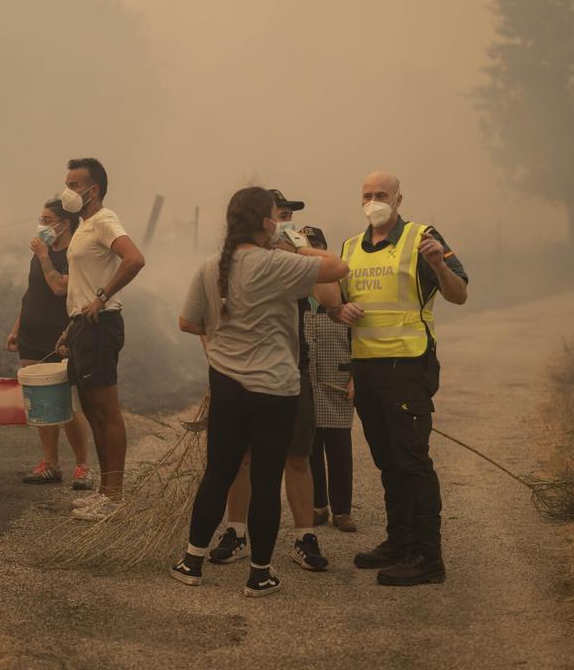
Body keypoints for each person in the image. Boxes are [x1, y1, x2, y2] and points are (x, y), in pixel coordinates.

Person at [171, 187, 348, 597]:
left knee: (219, 471)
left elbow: (187, 321)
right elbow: (337, 269)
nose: (279, 223)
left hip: (226, 383)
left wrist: (221, 341)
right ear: (264, 223)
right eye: (275, 217)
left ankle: (191, 561)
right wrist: (296, 248)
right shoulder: (278, 264)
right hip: (274, 388)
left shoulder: (212, 265)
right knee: (267, 479)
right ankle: (259, 574)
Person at [330, 171, 468, 586]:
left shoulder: (422, 237)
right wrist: (340, 310)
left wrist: (438, 265)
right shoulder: (350, 247)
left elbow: (459, 294)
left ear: (399, 198)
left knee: (412, 462)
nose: (374, 202)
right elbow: (338, 299)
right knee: (387, 461)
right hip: (367, 367)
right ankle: (400, 541)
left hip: (408, 366)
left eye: (382, 195)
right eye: (368, 195)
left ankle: (428, 557)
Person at [54, 157, 146, 522]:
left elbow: (135, 259)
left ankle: (115, 495)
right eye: (68, 183)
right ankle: (105, 492)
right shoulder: (85, 225)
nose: (68, 191)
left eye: (74, 185)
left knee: (106, 412)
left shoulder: (105, 221)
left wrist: (102, 296)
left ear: (94, 189)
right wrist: (70, 325)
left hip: (101, 324)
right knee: (92, 411)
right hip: (82, 325)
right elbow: (82, 281)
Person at [5, 198, 94, 490]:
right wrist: (17, 329)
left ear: (64, 224)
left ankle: (83, 466)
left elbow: (59, 288)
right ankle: (50, 464)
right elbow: (31, 291)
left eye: (47, 220)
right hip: (31, 334)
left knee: (67, 402)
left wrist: (44, 255)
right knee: (42, 401)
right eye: (40, 220)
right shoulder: (39, 253)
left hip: (59, 337)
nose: (41, 226)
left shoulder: (73, 253)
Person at [302, 226, 357, 533]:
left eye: (315, 248)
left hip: (337, 380)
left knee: (338, 448)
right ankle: (317, 506)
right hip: (306, 381)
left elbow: (359, 337)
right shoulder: (295, 291)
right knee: (309, 447)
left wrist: (355, 379)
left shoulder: (342, 290)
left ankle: (342, 511)